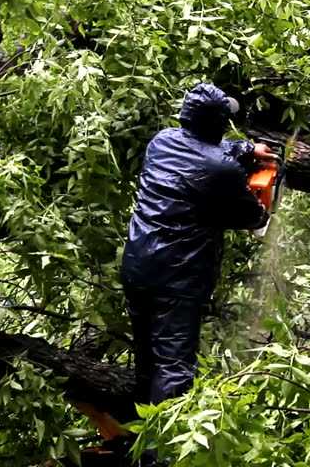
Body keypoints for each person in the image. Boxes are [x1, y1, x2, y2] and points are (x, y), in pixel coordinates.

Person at [118, 83, 276, 463]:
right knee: (173, 368)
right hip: (179, 276)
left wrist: (246, 150)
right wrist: (262, 204)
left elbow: (213, 152)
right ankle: (163, 458)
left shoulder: (163, 141)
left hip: (139, 265)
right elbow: (251, 216)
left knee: (148, 364)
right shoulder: (220, 169)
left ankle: (141, 445)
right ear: (219, 123)